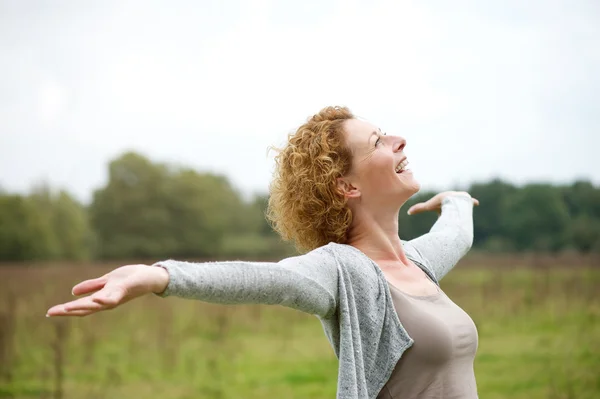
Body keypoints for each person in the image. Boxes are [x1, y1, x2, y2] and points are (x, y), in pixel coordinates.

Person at [47, 106, 480, 399]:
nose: (399, 141)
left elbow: (456, 235)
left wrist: (456, 200)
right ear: (347, 187)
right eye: (378, 142)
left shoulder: (417, 264)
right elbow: (263, 279)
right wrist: (158, 275)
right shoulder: (342, 271)